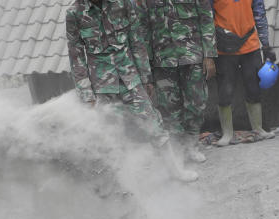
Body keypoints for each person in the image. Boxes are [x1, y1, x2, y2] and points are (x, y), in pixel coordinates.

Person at [66, 0, 197, 181]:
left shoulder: (122, 3)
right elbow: (76, 56)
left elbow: (136, 42)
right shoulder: (74, 13)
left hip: (131, 80)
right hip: (103, 88)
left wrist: (146, 78)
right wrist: (86, 94)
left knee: (154, 125)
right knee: (109, 136)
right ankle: (120, 184)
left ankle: (176, 172)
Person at [143, 0, 217, 163]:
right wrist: (146, 68)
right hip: (162, 61)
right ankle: (178, 149)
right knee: (169, 109)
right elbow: (144, 28)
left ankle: (192, 146)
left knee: (197, 103)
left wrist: (209, 55)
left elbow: (206, 19)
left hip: (192, 56)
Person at [212, 0, 275, 145]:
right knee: (224, 90)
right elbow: (207, 17)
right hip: (224, 46)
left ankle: (258, 129)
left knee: (254, 87)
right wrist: (210, 49)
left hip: (250, 44)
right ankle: (227, 133)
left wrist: (266, 45)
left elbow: (259, 14)